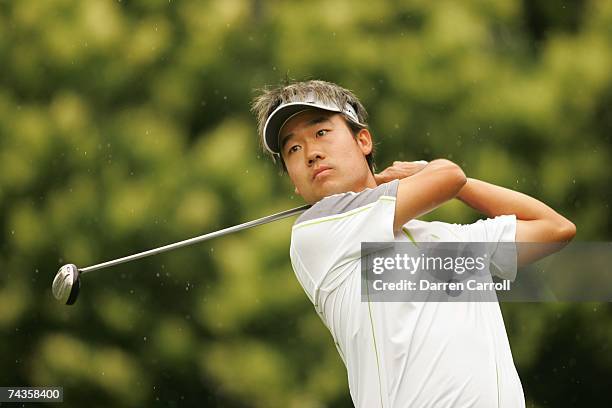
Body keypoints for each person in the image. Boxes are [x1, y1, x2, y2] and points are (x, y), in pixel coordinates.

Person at [251, 80, 576, 407]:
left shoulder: (448, 242)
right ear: (294, 183)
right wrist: (428, 173)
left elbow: (555, 229)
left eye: (321, 132)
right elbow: (448, 176)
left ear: (363, 139)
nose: (311, 153)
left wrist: (459, 185)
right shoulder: (316, 234)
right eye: (293, 149)